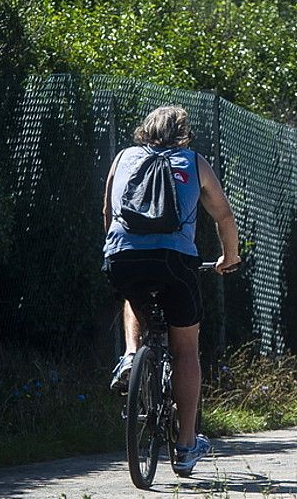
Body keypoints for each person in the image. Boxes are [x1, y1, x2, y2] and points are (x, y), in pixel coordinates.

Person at [103, 105, 242, 477]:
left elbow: (107, 211)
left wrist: (120, 251)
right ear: (183, 131)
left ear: (144, 129)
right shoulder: (193, 161)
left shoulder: (123, 157)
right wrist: (229, 257)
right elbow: (223, 215)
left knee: (134, 293)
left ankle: (131, 355)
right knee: (185, 349)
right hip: (175, 261)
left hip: (123, 256)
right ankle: (184, 445)